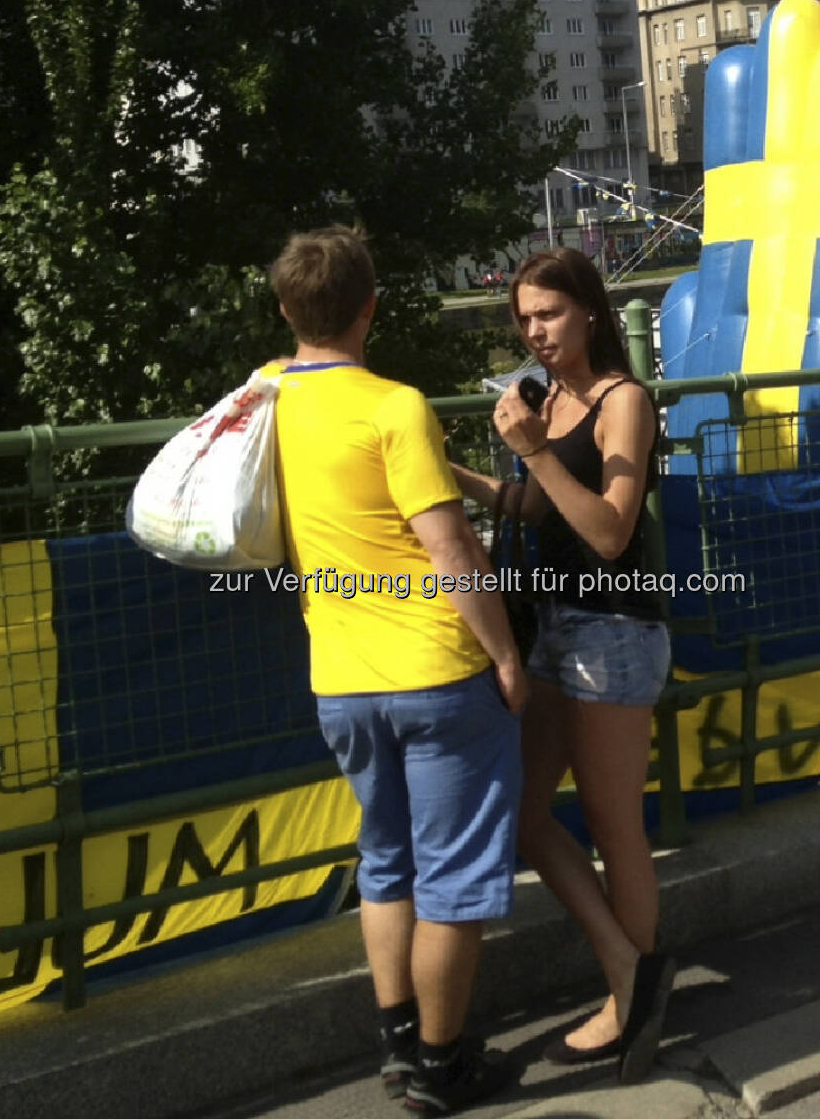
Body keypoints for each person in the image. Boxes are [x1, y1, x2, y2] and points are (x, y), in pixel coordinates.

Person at [268, 226, 526, 1115]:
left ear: (284, 309)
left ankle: (399, 1045)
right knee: (452, 879)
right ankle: (442, 1066)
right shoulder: (395, 406)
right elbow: (450, 546)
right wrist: (504, 654)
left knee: (384, 863)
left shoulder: (264, 396)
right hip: (436, 671)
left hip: (339, 674)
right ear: (372, 308)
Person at [449, 247, 676, 1086]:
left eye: (546, 313)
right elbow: (533, 508)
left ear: (588, 310)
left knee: (617, 829)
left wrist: (534, 448)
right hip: (550, 628)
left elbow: (611, 531)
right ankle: (631, 971)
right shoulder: (556, 402)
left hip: (612, 633)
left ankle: (632, 1003)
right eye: (523, 319)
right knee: (526, 813)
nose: (533, 331)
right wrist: (443, 476)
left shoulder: (625, 401)